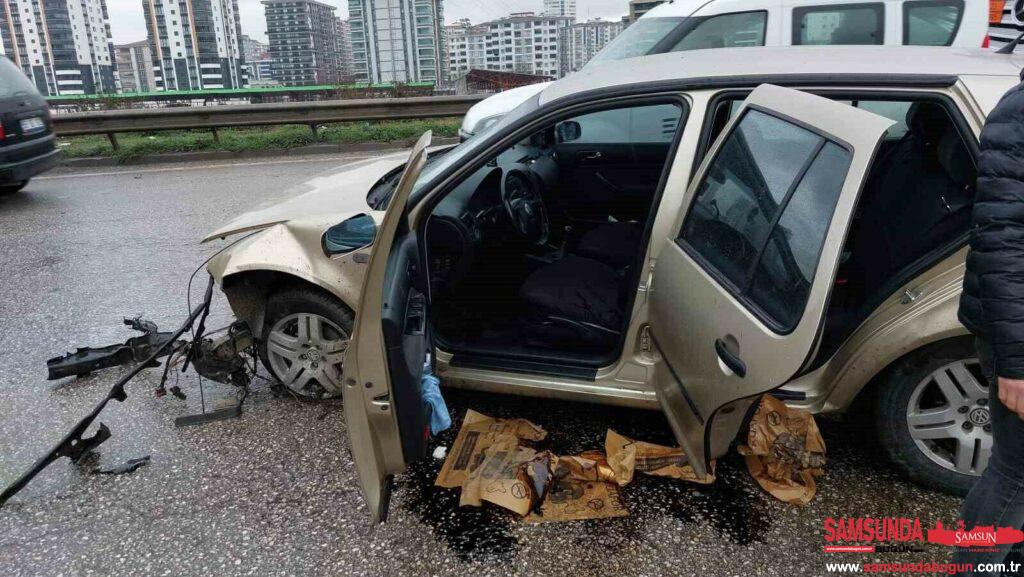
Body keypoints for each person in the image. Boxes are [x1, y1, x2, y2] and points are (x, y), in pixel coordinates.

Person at [955, 75, 1024, 576]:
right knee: (1016, 475)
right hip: (1018, 336)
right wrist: (1017, 366)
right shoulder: (1019, 115)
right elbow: (1001, 244)